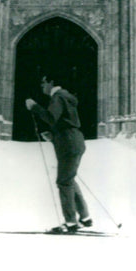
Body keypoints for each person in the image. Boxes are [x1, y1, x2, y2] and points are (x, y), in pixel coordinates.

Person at [26, 73, 92, 234]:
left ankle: (70, 223)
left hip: (68, 142)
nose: (42, 86)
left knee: (64, 182)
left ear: (51, 82)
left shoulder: (58, 97)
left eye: (43, 82)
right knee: (68, 179)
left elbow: (50, 117)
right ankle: (85, 217)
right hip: (74, 140)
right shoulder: (66, 97)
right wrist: (53, 135)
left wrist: (34, 106)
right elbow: (64, 121)